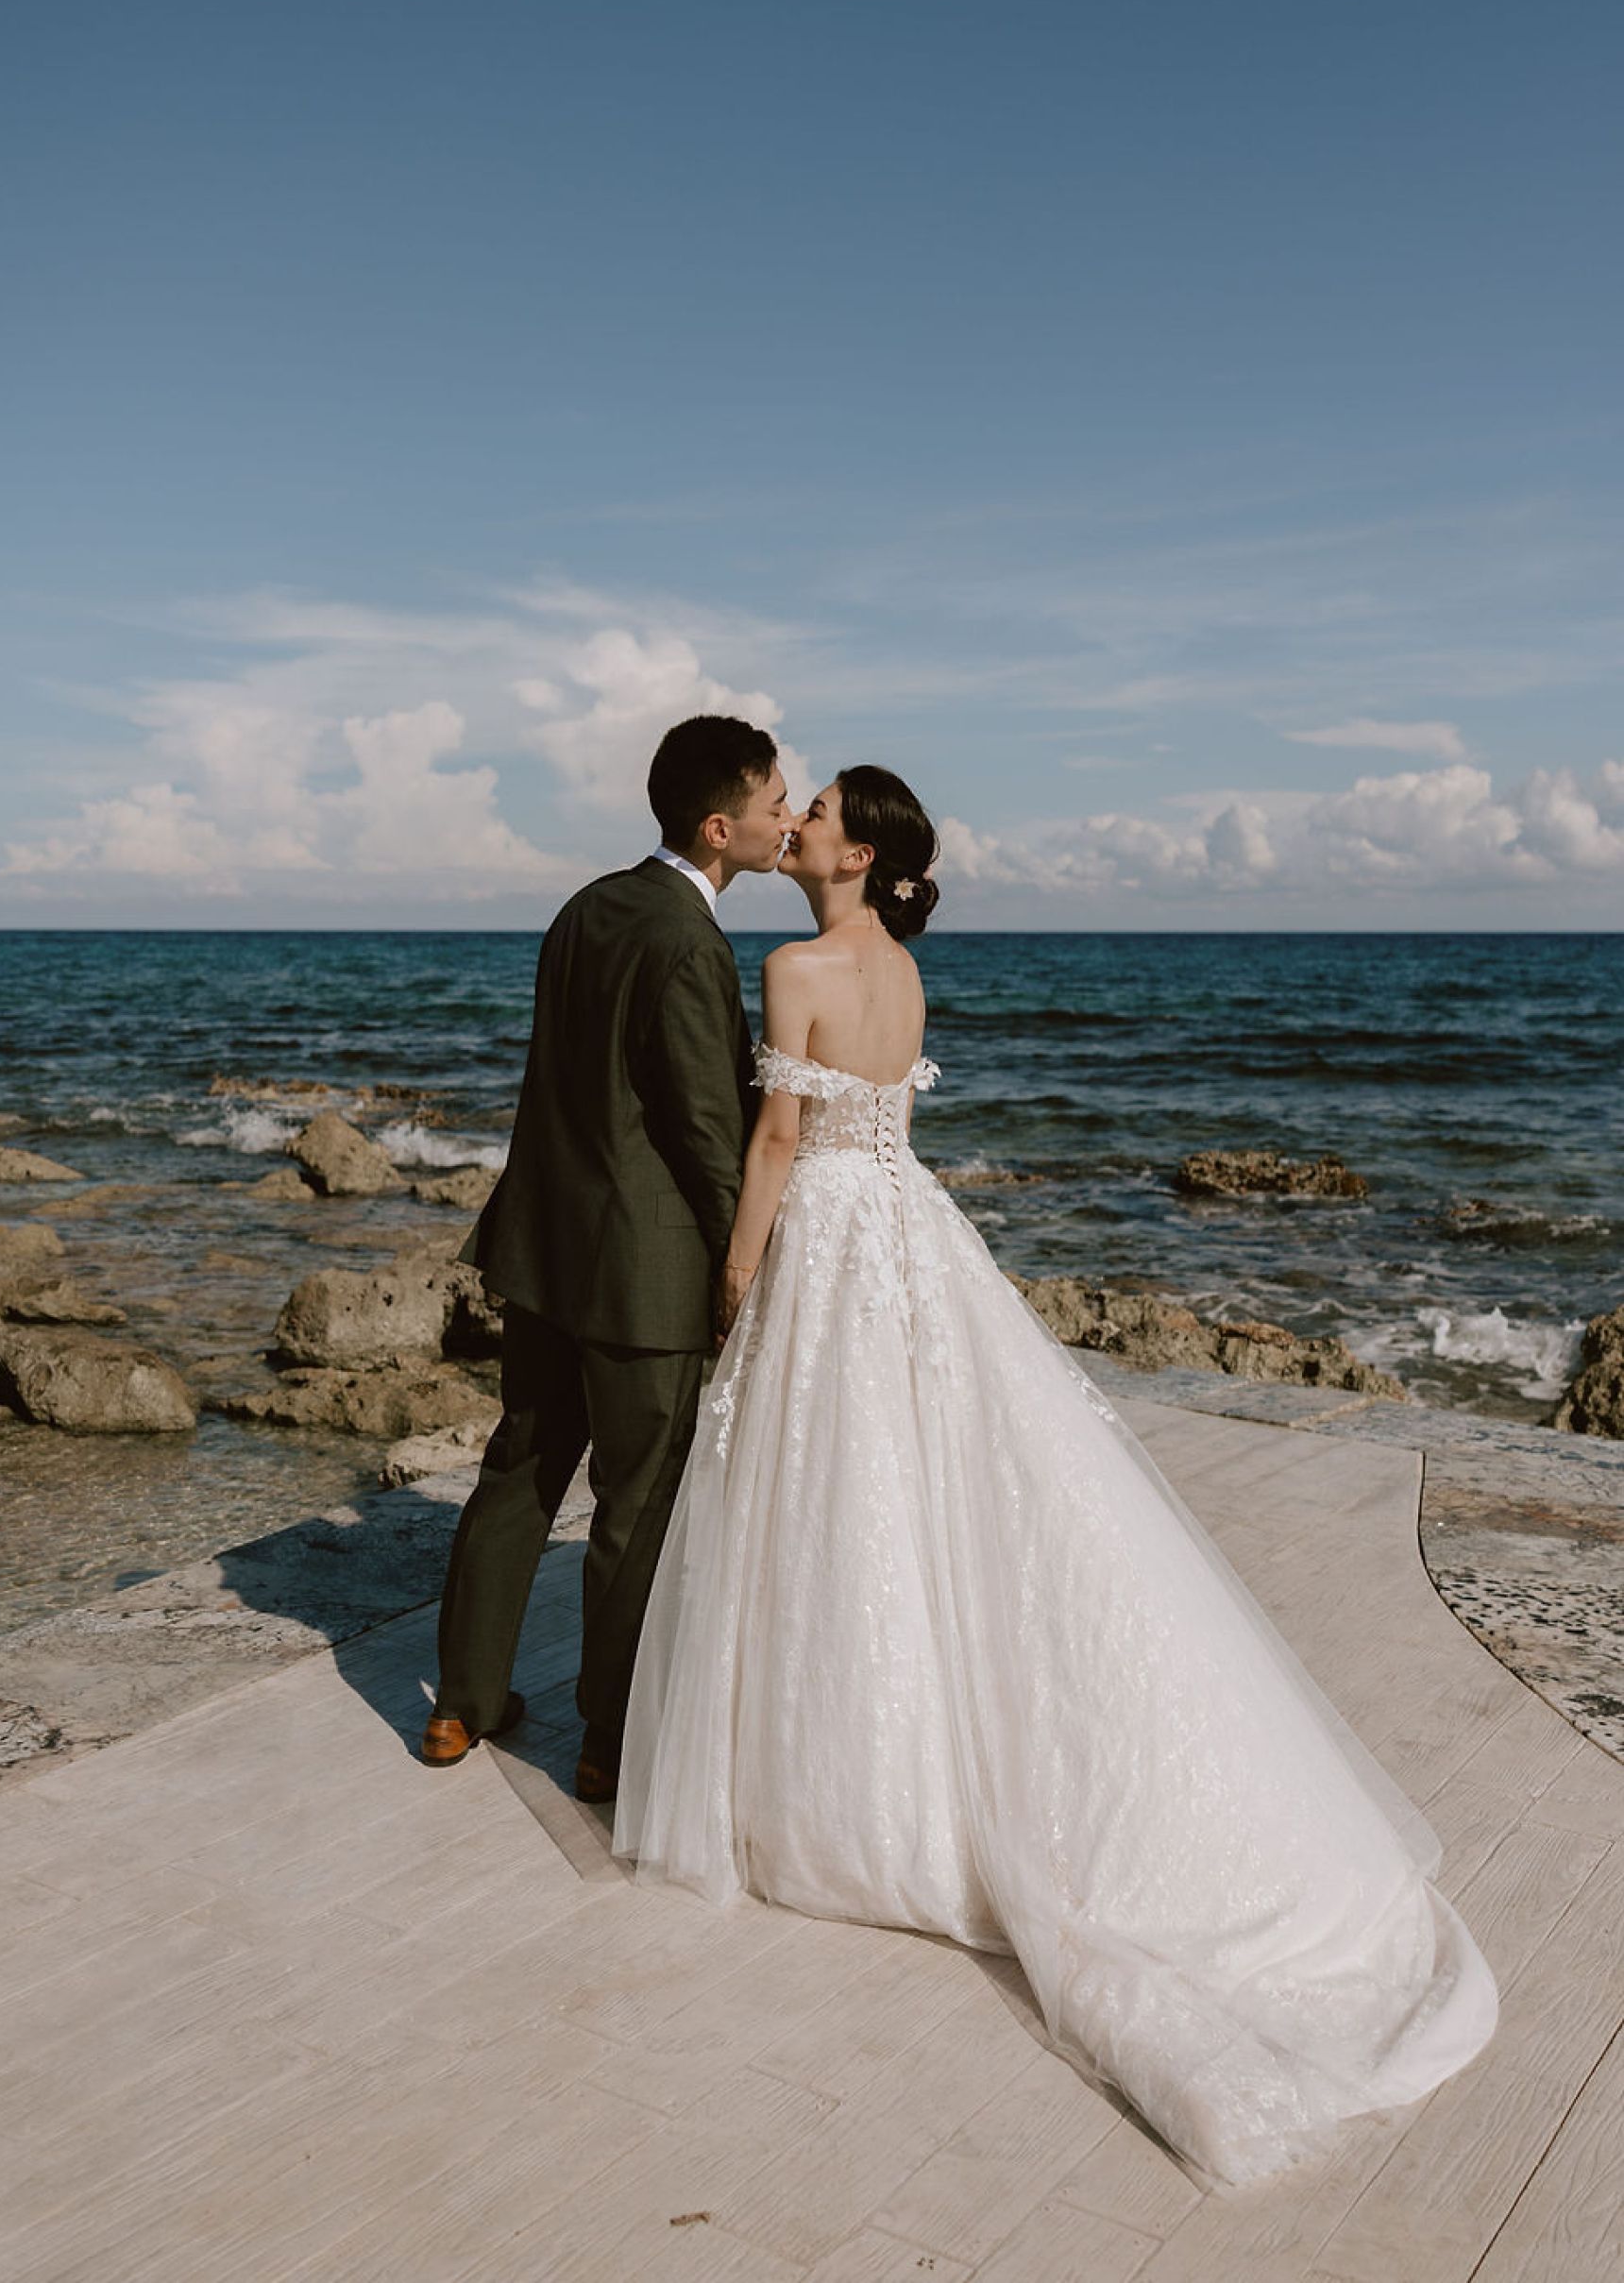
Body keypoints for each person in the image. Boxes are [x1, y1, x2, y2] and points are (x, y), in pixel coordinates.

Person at [613, 763, 1499, 2188]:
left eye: (822, 807)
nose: (803, 819)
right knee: (921, 1488)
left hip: (834, 1236)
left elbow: (780, 1139)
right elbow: (878, 1121)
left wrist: (734, 1268)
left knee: (838, 1503)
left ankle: (856, 1796)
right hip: (909, 1226)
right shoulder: (896, 967)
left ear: (857, 847)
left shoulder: (791, 964)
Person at [422, 714, 793, 1801]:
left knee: (520, 1469)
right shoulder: (689, 942)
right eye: (775, 806)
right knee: (637, 1508)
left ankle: (460, 1708)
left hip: (547, 1252)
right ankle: (607, 1739)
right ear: (720, 828)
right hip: (646, 1280)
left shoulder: (587, 905)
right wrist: (750, 1260)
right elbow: (705, 1131)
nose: (786, 821)